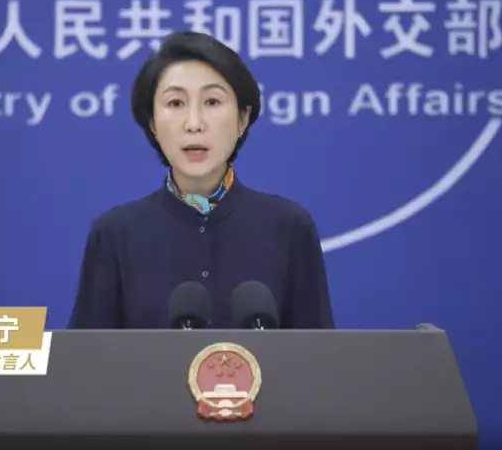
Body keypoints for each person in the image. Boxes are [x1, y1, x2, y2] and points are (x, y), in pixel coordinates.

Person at [67, 30, 334, 329]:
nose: (194, 124)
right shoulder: (114, 235)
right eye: (175, 103)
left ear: (243, 118)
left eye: (212, 102)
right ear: (152, 122)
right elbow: (86, 354)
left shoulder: (289, 227)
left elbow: (319, 353)